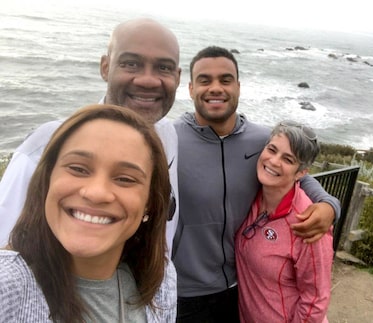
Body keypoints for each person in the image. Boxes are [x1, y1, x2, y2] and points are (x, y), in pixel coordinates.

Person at [172, 46, 340, 322]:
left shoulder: (262, 140)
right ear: (190, 88)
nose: (216, 88)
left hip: (242, 287)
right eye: (205, 80)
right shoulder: (170, 140)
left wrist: (329, 205)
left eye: (225, 80)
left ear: (238, 86)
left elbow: (298, 174)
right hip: (186, 294)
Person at [0, 18, 182, 255]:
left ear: (177, 77)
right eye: (131, 64)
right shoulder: (47, 146)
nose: (147, 80)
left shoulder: (169, 135)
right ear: (105, 68)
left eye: (164, 68)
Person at [0, 104, 176, 322]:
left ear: (150, 202)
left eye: (125, 179)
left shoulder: (162, 279)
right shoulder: (7, 284)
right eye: (78, 168)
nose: (96, 193)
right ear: (47, 180)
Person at [235, 120, 333, 322]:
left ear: (301, 173)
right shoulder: (251, 197)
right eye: (271, 149)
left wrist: (331, 206)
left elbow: (315, 300)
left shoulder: (307, 222)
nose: (273, 161)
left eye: (288, 159)